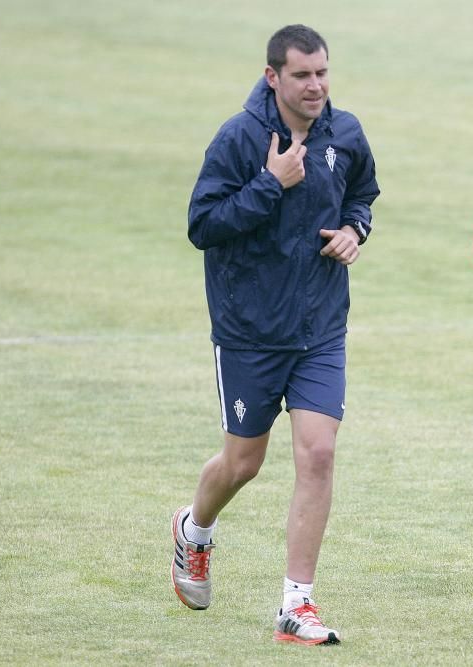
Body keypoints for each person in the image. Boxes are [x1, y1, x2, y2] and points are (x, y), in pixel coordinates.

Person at [171, 24, 379, 646]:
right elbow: (202, 224)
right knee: (244, 462)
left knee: (318, 453)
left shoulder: (346, 133)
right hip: (249, 332)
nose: (316, 86)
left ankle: (297, 604)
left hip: (319, 326)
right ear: (273, 78)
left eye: (322, 73)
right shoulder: (239, 138)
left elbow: (363, 194)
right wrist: (270, 183)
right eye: (302, 76)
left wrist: (355, 231)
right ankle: (194, 529)